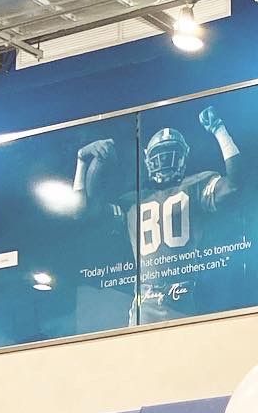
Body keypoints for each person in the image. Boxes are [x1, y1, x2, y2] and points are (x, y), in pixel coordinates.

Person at [73, 104, 241, 322]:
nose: (163, 161)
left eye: (168, 155)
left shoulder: (194, 186)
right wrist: (82, 161)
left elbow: (234, 185)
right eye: (159, 156)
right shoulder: (132, 201)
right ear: (147, 159)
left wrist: (220, 130)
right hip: (146, 304)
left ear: (182, 157)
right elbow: (82, 212)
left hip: (185, 298)